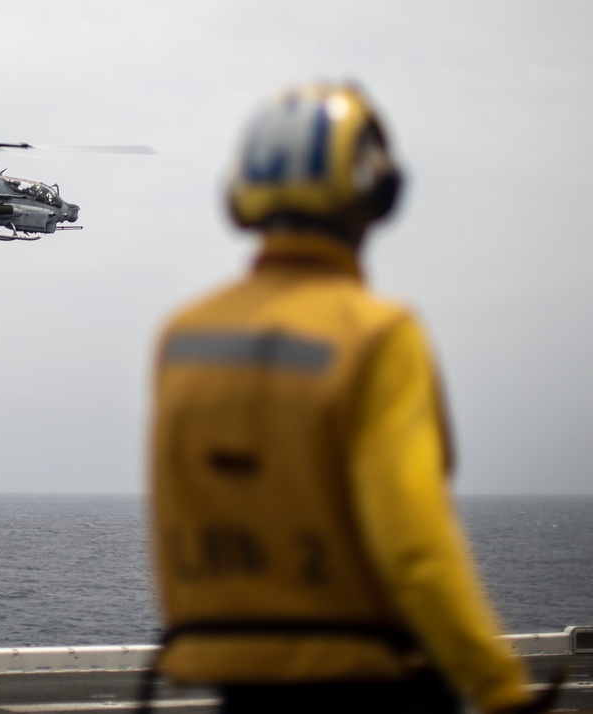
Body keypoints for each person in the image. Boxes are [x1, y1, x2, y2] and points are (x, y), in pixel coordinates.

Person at [149, 83, 544, 713]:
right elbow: (415, 547)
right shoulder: (378, 336)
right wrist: (500, 686)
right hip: (366, 682)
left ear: (240, 195)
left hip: (235, 684)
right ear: (378, 193)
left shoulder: (183, 338)